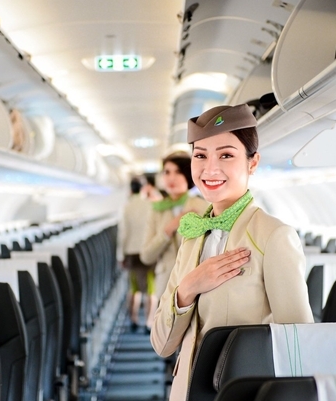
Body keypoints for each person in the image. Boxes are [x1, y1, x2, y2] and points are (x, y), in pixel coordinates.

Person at [150, 104, 313, 401]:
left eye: (226, 155)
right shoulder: (192, 234)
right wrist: (187, 289)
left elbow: (298, 349)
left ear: (252, 162)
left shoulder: (274, 236)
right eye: (200, 156)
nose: (210, 169)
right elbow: (162, 344)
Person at [140, 152, 208, 324]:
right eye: (167, 172)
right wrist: (169, 228)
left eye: (177, 172)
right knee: (167, 342)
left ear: (188, 174)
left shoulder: (203, 207)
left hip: (198, 285)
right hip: (166, 287)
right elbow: (146, 255)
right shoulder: (156, 210)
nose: (171, 177)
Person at [122, 177, 155, 332]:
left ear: (130, 189)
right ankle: (149, 322)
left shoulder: (126, 206)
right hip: (149, 251)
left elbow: (123, 233)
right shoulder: (151, 205)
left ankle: (133, 319)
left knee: (134, 287)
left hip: (132, 252)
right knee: (151, 289)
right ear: (143, 189)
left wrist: (120, 255)